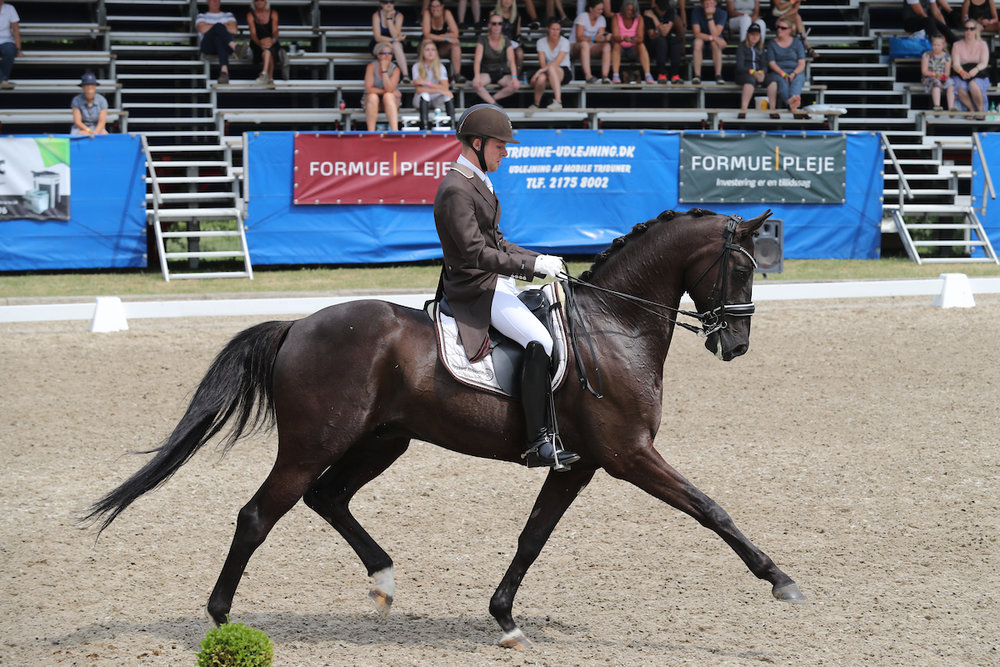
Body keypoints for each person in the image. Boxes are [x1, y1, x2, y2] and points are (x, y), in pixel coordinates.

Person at [432, 103, 580, 470]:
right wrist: (530, 266)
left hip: (492, 278)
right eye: (501, 146)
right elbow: (475, 252)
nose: (506, 152)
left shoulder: (478, 182)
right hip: (475, 288)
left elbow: (497, 242)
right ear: (478, 143)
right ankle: (537, 442)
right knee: (540, 341)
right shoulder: (456, 188)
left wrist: (541, 260)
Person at [471, 14, 521, 104]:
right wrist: (477, 76)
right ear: (489, 25)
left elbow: (512, 61)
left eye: (499, 23)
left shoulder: (506, 40)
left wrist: (514, 77)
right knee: (476, 84)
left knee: (515, 85)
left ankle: (491, 100)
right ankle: (494, 104)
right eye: (494, 23)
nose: (497, 26)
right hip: (486, 72)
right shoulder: (482, 39)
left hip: (502, 72)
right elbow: (477, 60)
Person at [765, 17, 807, 116]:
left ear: (789, 30)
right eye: (778, 27)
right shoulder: (772, 43)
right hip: (778, 71)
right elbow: (772, 63)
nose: (779, 30)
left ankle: (792, 101)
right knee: (782, 83)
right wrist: (783, 74)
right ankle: (792, 104)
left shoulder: (797, 42)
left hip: (795, 70)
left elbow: (802, 63)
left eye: (783, 28)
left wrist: (793, 73)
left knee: (798, 79)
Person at [197, 0, 243, 85]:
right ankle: (235, 47)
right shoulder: (201, 16)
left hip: (224, 46)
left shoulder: (228, 15)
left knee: (218, 38)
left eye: (217, 0)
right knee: (218, 26)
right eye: (212, 0)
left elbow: (234, 30)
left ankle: (224, 72)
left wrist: (210, 26)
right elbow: (202, 29)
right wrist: (222, 26)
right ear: (208, 2)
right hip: (208, 46)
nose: (215, 2)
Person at [413, 38, 456, 129]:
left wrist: (426, 82)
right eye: (427, 50)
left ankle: (452, 126)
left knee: (447, 95)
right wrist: (439, 89)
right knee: (425, 94)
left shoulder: (440, 67)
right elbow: (419, 89)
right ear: (422, 52)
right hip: (420, 99)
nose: (430, 52)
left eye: (433, 50)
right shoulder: (416, 67)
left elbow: (445, 87)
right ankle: (424, 126)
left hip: (435, 98)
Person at [529, 18, 571, 109]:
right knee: (541, 78)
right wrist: (542, 72)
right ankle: (536, 104)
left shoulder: (565, 42)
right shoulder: (541, 42)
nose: (555, 32)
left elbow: (557, 63)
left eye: (557, 29)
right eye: (553, 29)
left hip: (563, 70)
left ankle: (558, 101)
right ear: (548, 29)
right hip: (547, 70)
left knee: (550, 69)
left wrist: (538, 72)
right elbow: (542, 63)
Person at [951, 19, 991, 115]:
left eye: (972, 28)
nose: (969, 31)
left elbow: (984, 63)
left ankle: (981, 111)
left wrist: (975, 70)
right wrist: (962, 72)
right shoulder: (957, 45)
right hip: (962, 71)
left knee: (974, 84)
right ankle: (971, 110)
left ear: (976, 30)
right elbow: (955, 64)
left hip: (979, 71)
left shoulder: (983, 44)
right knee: (960, 87)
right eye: (966, 28)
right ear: (963, 30)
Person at [611, 0, 654, 83]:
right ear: (623, 9)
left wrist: (635, 40)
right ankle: (615, 75)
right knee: (616, 44)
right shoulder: (616, 17)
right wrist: (623, 38)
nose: (629, 12)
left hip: (633, 48)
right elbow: (615, 37)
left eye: (632, 10)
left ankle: (648, 75)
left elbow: (641, 37)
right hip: (620, 47)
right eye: (627, 9)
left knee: (641, 45)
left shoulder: (639, 18)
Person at [423, 0, 465, 82]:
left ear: (442, 6)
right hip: (429, 46)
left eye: (437, 6)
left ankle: (457, 74)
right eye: (433, 6)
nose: (435, 9)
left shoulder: (446, 13)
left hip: (441, 47)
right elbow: (427, 34)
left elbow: (455, 33)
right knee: (427, 41)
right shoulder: (427, 13)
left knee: (455, 43)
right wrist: (446, 38)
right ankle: (427, 74)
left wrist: (437, 37)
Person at [572, 0, 612, 84]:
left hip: (589, 47)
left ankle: (605, 76)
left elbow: (601, 36)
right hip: (574, 46)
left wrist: (607, 37)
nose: (601, 11)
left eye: (602, 9)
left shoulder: (602, 19)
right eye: (598, 9)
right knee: (584, 44)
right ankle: (588, 76)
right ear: (591, 9)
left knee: (606, 45)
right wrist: (594, 38)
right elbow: (579, 38)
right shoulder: (582, 16)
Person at [364, 46, 402, 130]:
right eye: (384, 53)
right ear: (378, 55)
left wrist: (384, 70)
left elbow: (389, 89)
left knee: (388, 96)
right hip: (372, 101)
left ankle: (394, 131)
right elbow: (369, 89)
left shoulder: (395, 69)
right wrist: (388, 91)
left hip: (390, 101)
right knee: (373, 96)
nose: (387, 56)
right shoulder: (371, 67)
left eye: (390, 53)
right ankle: (371, 132)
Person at [644, 0, 683, 83]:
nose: (663, 11)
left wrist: (654, 18)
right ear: (656, 6)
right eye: (661, 9)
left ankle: (675, 74)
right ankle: (661, 73)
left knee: (675, 41)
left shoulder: (670, 11)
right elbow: (651, 35)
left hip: (666, 42)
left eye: (664, 9)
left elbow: (665, 33)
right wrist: (660, 29)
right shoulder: (648, 13)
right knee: (661, 41)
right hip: (652, 45)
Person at [372, 0, 410, 84]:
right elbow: (377, 37)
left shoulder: (399, 15)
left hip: (395, 45)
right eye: (385, 2)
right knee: (388, 46)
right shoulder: (376, 15)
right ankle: (384, 77)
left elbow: (395, 35)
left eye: (391, 2)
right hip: (379, 44)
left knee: (396, 45)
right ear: (381, 4)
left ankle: (405, 75)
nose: (389, 4)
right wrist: (393, 40)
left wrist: (389, 19)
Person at [690, 0, 727, 84]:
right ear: (702, 4)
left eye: (711, 3)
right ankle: (697, 76)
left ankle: (718, 75)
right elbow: (697, 33)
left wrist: (710, 17)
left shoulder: (722, 13)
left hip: (714, 44)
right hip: (701, 41)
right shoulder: (696, 12)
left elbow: (716, 33)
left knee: (715, 43)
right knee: (698, 42)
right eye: (706, 3)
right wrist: (715, 38)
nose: (709, 6)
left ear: (715, 3)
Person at [247, 0, 282, 85]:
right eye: (256, 0)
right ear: (254, 2)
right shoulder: (250, 15)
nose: (259, 2)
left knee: (269, 49)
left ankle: (264, 73)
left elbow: (275, 32)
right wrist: (260, 43)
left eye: (262, 0)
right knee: (267, 50)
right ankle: (270, 78)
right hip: (257, 42)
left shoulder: (273, 13)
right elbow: (253, 34)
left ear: (266, 2)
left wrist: (271, 40)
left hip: (271, 41)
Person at [735, 23, 765, 117]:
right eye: (752, 34)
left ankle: (773, 110)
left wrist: (762, 72)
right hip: (744, 74)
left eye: (757, 34)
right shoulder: (742, 47)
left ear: (760, 36)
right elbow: (740, 66)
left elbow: (764, 64)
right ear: (748, 35)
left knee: (772, 80)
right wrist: (752, 72)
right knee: (750, 80)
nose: (754, 37)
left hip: (758, 73)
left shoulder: (761, 48)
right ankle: (744, 109)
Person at [921, 34, 955, 110]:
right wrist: (935, 74)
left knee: (951, 84)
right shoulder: (926, 55)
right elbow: (924, 71)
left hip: (942, 77)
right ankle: (937, 106)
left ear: (943, 46)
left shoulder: (947, 57)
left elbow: (947, 72)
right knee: (936, 83)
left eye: (938, 45)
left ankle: (951, 107)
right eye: (934, 45)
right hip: (930, 77)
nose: (936, 47)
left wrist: (944, 77)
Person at [494, 0, 524, 82]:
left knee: (519, 53)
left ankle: (515, 77)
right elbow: (492, 32)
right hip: (498, 41)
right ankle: (500, 76)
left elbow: (518, 33)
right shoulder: (494, 14)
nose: (507, 1)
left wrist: (518, 43)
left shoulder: (516, 15)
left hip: (512, 42)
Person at [0, 0, 21, 89]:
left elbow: (16, 30)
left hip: (6, 39)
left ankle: (3, 80)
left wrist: (19, 49)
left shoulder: (10, 8)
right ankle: (3, 81)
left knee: (9, 51)